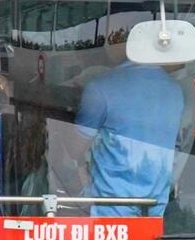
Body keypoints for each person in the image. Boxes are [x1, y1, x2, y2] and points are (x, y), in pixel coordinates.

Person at [75, 16, 188, 216]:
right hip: (155, 213)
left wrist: (81, 169)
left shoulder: (101, 86)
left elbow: (75, 147)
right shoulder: (175, 90)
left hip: (110, 216)